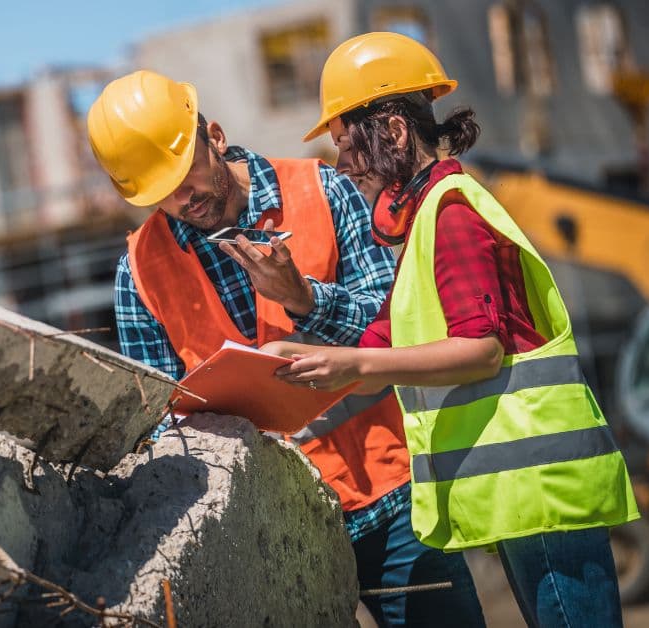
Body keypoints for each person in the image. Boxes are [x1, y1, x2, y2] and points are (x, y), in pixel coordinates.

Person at [263, 32, 640, 627]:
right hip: (524, 496)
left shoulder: (453, 212)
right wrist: (292, 368)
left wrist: (356, 367)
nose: (342, 167)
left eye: (347, 145)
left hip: (542, 492)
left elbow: (480, 350)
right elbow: (379, 346)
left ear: (391, 132)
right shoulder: (424, 220)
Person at [88, 69, 485, 626]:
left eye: (186, 175)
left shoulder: (324, 190)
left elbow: (398, 331)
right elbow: (154, 420)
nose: (183, 199)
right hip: (267, 533)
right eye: (160, 193)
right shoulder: (139, 269)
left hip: (389, 497)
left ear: (216, 138)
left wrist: (304, 299)